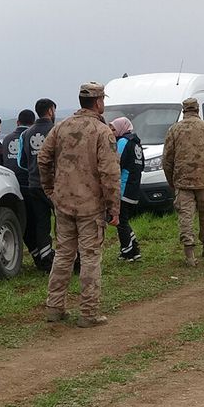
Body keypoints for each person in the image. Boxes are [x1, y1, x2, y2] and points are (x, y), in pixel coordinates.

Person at [38, 82, 120, 328]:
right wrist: (113, 206)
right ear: (98, 102)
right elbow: (109, 173)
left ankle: (55, 307)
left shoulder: (61, 127)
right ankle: (89, 312)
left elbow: (43, 158)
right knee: (90, 257)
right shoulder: (102, 131)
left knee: (63, 255)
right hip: (91, 205)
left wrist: (51, 190)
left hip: (63, 203)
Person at [162, 97, 204, 267]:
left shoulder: (174, 130)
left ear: (184, 111)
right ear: (197, 110)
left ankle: (189, 253)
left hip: (182, 181)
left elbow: (167, 158)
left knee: (185, 216)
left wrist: (170, 179)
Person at [19, 98, 57, 272]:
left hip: (33, 184)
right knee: (62, 221)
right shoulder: (56, 131)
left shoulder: (26, 134)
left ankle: (45, 259)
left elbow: (22, 162)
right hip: (55, 185)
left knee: (42, 222)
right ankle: (68, 258)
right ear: (50, 111)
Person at [2, 109, 38, 266]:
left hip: (9, 185)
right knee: (35, 221)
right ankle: (39, 253)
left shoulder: (6, 139)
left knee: (19, 222)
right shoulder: (29, 137)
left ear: (17, 122)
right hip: (28, 184)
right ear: (33, 122)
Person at [110, 117, 144, 261]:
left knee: (120, 221)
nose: (111, 131)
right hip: (134, 187)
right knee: (123, 220)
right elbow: (141, 166)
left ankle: (129, 251)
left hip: (123, 187)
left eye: (113, 128)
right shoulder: (136, 143)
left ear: (121, 128)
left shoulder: (123, 142)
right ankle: (132, 248)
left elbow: (117, 163)